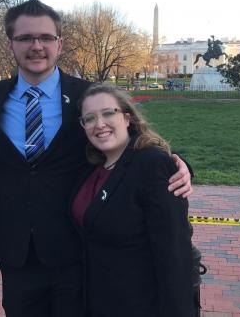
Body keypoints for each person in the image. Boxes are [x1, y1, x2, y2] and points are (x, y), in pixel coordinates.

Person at [0, 0, 193, 317]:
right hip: (18, 257)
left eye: (45, 37)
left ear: (60, 43)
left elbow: (123, 136)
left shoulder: (84, 95)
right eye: (26, 38)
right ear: (11, 44)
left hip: (75, 250)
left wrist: (176, 162)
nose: (36, 46)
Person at [72, 83, 194, 317]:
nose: (99, 124)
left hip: (141, 304)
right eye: (89, 118)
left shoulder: (153, 164)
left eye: (109, 113)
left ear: (127, 118)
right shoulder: (92, 167)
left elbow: (174, 254)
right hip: (97, 301)